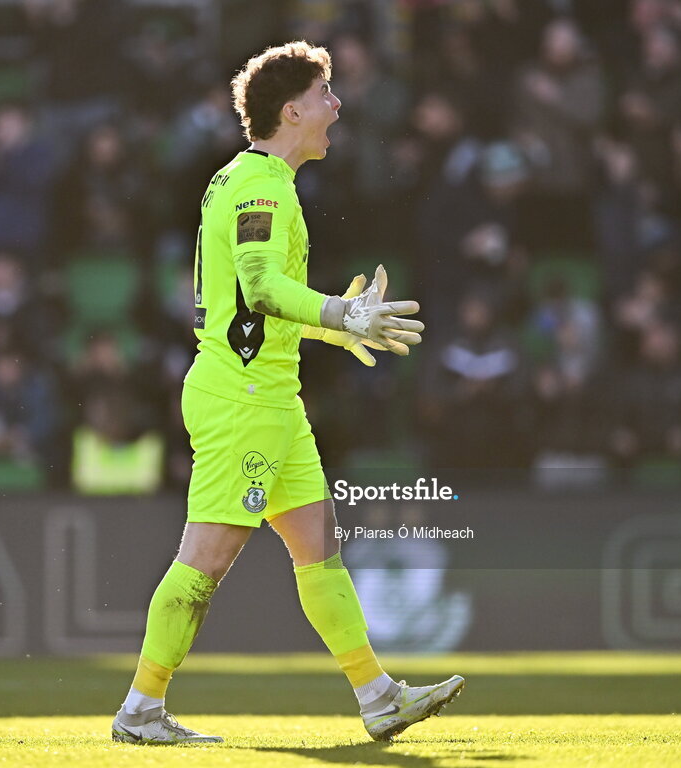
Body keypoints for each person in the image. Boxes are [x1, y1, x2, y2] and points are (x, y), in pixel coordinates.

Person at [110, 41, 463, 746]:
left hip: (268, 393)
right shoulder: (265, 186)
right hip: (245, 399)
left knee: (320, 552)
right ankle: (140, 709)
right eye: (327, 94)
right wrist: (338, 313)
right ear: (293, 109)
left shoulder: (242, 178)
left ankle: (377, 695)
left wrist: (341, 331)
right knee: (204, 561)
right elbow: (264, 287)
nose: (337, 106)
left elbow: (256, 310)